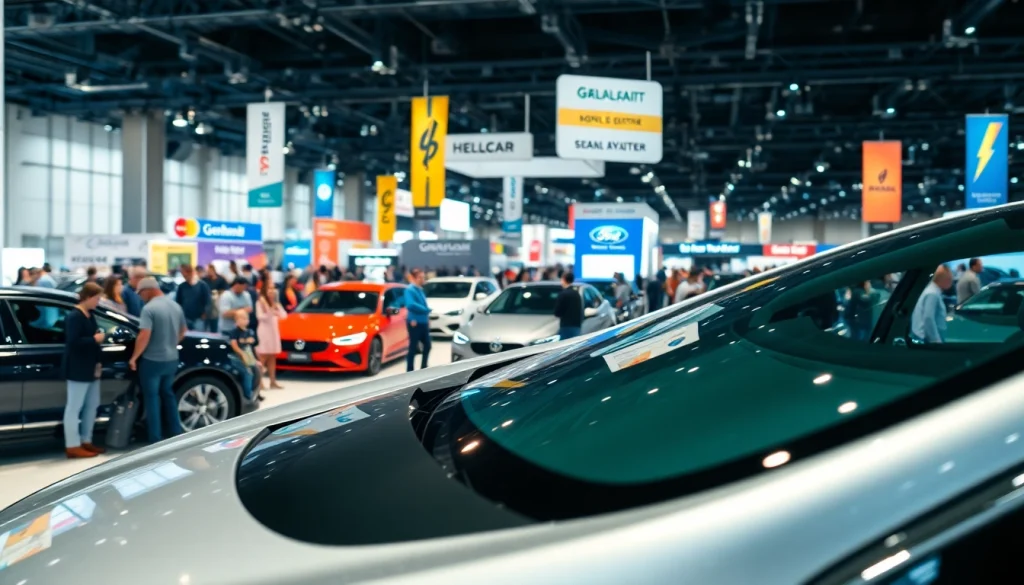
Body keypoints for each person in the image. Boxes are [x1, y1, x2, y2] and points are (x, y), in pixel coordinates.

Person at [128, 277, 187, 443]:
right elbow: (183, 331)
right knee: (168, 394)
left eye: (141, 293)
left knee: (152, 398)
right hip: (172, 359)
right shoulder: (175, 306)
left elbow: (144, 335)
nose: (140, 297)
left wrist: (134, 357)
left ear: (148, 290)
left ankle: (155, 438)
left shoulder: (149, 309)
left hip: (152, 361)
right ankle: (176, 432)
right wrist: (171, 343)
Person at [62, 283, 107, 459]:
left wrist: (98, 362)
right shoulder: (74, 317)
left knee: (92, 405)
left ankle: (86, 439)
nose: (98, 302)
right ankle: (72, 445)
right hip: (77, 368)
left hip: (90, 367)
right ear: (87, 297)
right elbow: (73, 342)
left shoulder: (90, 315)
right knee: (74, 407)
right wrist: (94, 339)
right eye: (96, 298)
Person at [256, 279, 287, 389]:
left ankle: (272, 381)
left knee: (272, 356)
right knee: (263, 356)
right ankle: (259, 382)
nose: (272, 291)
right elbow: (260, 317)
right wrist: (270, 310)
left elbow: (284, 315)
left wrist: (276, 307)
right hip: (264, 331)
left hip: (273, 331)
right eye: (269, 288)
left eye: (273, 288)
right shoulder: (260, 303)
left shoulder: (275, 303)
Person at [911, 265, 953, 344]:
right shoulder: (933, 294)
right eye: (949, 279)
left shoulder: (932, 290)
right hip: (926, 339)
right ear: (943, 279)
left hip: (924, 337)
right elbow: (928, 318)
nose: (951, 282)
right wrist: (935, 340)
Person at [227, 311, 262, 401]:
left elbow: (252, 346)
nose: (244, 320)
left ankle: (256, 392)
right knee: (248, 373)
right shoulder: (234, 332)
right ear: (236, 320)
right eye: (241, 318)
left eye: (246, 318)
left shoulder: (249, 332)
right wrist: (241, 353)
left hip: (248, 356)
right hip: (237, 357)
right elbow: (234, 345)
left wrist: (255, 358)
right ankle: (248, 395)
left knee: (258, 370)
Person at [403, 268, 432, 372]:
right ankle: (410, 370)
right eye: (420, 277)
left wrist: (427, 318)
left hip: (423, 321)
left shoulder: (420, 289)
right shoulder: (410, 290)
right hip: (415, 322)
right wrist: (425, 310)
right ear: (415, 278)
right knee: (413, 347)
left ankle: (424, 367)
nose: (423, 279)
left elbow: (423, 303)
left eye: (423, 277)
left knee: (427, 345)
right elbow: (410, 304)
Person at [175, 264, 212, 331]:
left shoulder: (202, 286)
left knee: (198, 335)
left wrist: (205, 313)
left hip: (199, 318)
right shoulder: (181, 287)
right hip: (185, 317)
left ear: (191, 273)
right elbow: (178, 302)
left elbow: (208, 301)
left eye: (185, 275)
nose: (184, 276)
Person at [554, 271, 584, 340]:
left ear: (564, 279)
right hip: (576, 326)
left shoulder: (563, 294)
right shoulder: (576, 294)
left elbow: (557, 312)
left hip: (566, 326)